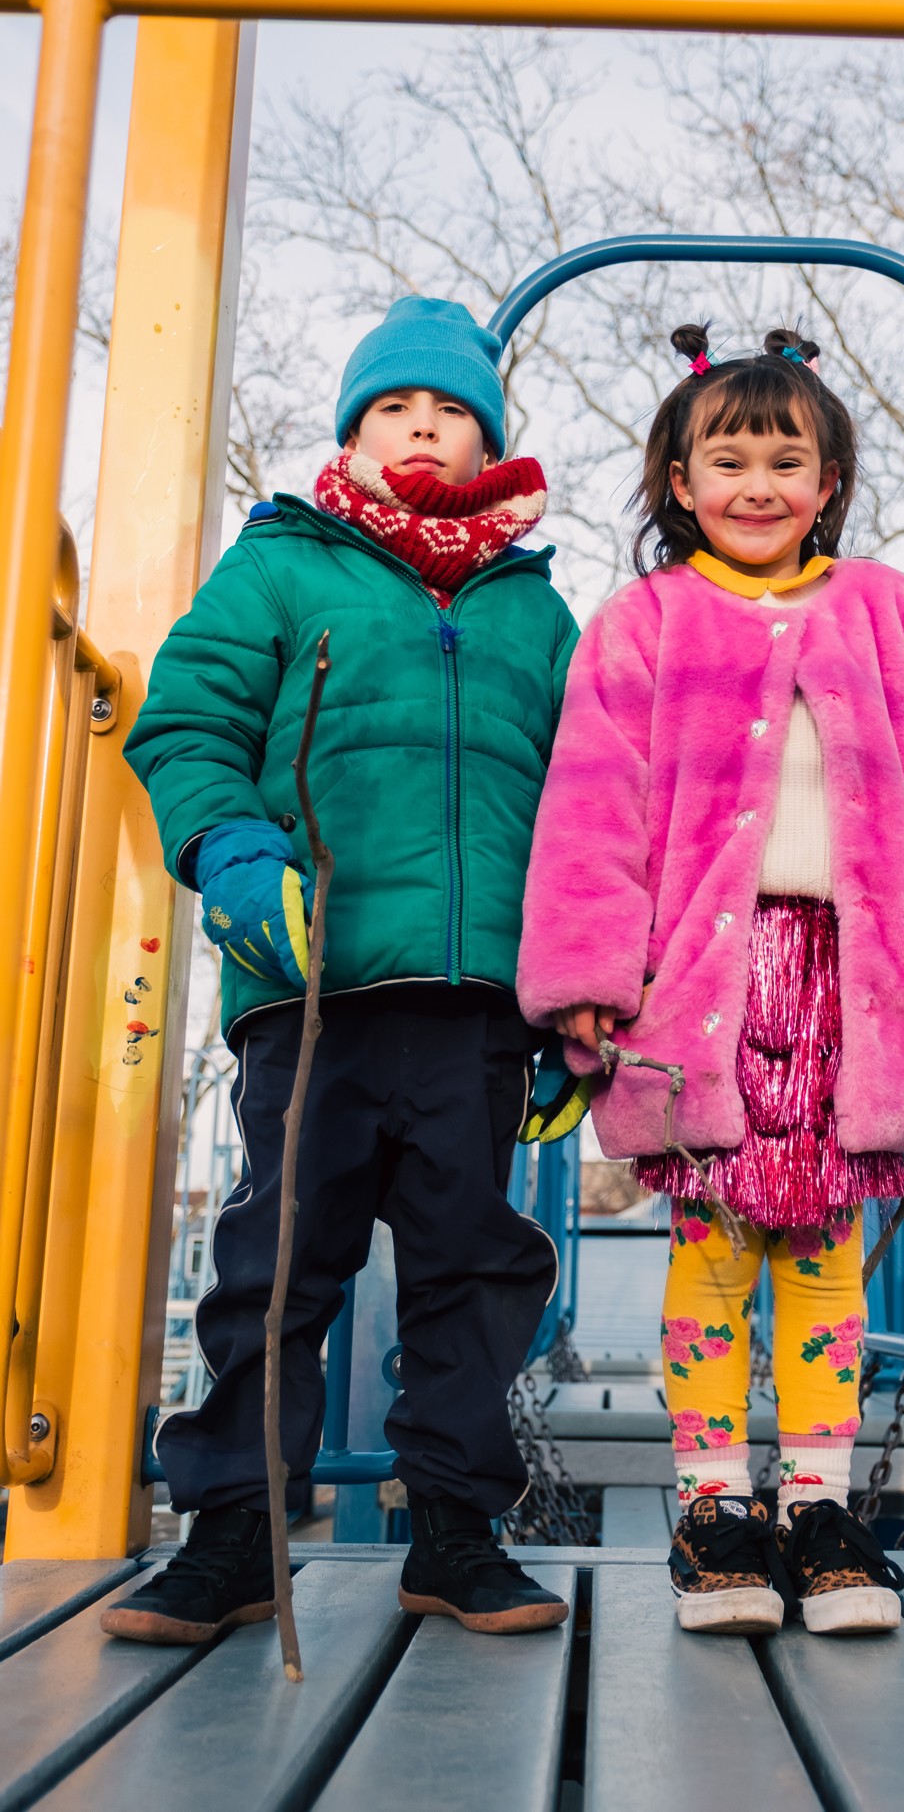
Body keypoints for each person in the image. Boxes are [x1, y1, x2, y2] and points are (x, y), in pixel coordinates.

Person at [518, 322, 904, 1635]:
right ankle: (714, 1514)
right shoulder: (643, 625)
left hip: (853, 980)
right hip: (705, 986)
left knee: (823, 1252)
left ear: (828, 482)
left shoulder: (892, 620)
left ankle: (817, 1509)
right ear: (678, 481)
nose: (756, 482)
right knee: (710, 1249)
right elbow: (590, 808)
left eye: (786, 457)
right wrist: (590, 970)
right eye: (727, 457)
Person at [107, 296, 576, 1644]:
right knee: (278, 1256)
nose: (423, 430)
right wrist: (237, 853)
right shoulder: (282, 568)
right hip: (313, 993)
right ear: (351, 437)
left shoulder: (535, 616)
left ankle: (453, 1532)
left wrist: (577, 1003)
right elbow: (187, 720)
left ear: (488, 443)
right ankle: (236, 1535)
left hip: (477, 1007)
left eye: (451, 413)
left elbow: (583, 813)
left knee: (467, 1267)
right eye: (394, 410)